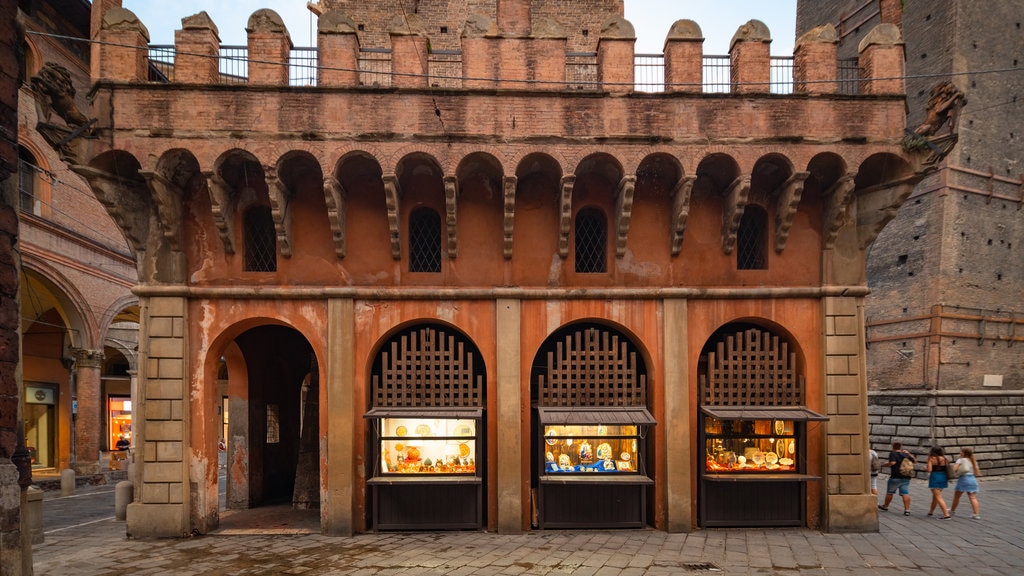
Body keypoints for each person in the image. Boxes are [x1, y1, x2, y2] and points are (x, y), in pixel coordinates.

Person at [879, 441, 916, 515]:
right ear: (900, 446)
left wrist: (886, 464)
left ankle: (885, 506)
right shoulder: (905, 454)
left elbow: (893, 463)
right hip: (906, 476)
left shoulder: (893, 453)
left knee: (890, 492)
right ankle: (907, 510)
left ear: (893, 446)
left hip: (895, 476)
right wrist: (909, 454)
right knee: (905, 493)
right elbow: (915, 461)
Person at [950, 447, 981, 519]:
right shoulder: (973, 461)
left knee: (957, 496)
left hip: (963, 479)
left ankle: (952, 510)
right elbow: (976, 472)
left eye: (961, 451)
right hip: (972, 479)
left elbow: (955, 469)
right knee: (973, 497)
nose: (960, 452)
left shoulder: (960, 460)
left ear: (963, 453)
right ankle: (976, 514)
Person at [925, 446, 951, 519]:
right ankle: (931, 512)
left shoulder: (931, 458)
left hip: (935, 477)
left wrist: (925, 468)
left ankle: (946, 515)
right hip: (943, 477)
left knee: (938, 497)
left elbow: (930, 470)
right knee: (935, 496)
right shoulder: (945, 458)